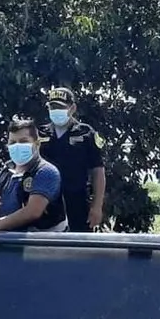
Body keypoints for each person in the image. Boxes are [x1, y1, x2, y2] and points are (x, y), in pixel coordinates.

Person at [0, 118, 67, 232]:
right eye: (12, 143)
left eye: (23, 141)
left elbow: (32, 212)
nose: (17, 146)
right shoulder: (6, 173)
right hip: (9, 243)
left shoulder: (46, 171)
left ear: (37, 144)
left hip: (40, 245)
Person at [38, 87, 106, 232]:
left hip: (77, 202)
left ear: (72, 108)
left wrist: (97, 206)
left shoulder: (86, 133)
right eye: (53, 107)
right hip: (45, 204)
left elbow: (98, 170)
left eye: (61, 107)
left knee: (79, 249)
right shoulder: (40, 133)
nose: (56, 111)